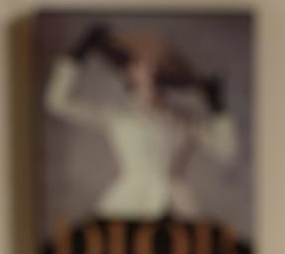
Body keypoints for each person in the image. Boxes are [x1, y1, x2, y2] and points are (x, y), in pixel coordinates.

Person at [44, 21, 239, 221]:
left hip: (179, 208)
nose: (152, 72)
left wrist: (218, 107)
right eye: (143, 64)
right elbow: (57, 102)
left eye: (160, 67)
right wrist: (76, 55)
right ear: (130, 70)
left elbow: (227, 151)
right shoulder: (118, 115)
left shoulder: (184, 120)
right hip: (128, 203)